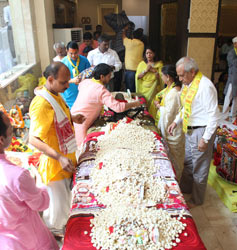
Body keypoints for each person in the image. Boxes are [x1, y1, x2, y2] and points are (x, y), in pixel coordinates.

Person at [29, 62, 85, 236]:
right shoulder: (41, 104)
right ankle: (54, 238)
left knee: (65, 205)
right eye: (63, 82)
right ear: (51, 79)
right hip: (55, 166)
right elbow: (33, 139)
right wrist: (59, 157)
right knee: (57, 211)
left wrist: (73, 117)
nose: (67, 86)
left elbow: (58, 117)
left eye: (68, 81)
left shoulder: (55, 94)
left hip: (66, 160)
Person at [0, 111, 59, 250]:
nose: (13, 132)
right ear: (1, 140)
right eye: (11, 129)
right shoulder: (17, 175)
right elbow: (41, 204)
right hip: (31, 240)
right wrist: (39, 181)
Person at [168, 57, 220, 207]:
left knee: (200, 167)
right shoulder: (190, 84)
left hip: (201, 131)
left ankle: (196, 200)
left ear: (192, 71)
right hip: (190, 130)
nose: (179, 79)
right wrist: (176, 121)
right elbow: (187, 107)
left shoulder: (205, 87)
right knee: (189, 162)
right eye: (178, 75)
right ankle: (184, 189)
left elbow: (214, 115)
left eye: (182, 75)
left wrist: (205, 138)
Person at [71, 63, 141, 147]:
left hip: (73, 115)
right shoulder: (101, 90)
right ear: (102, 77)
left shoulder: (86, 82)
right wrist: (136, 103)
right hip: (80, 120)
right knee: (81, 147)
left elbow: (81, 87)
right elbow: (118, 107)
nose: (110, 78)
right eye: (108, 76)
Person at [152, 65, 184, 180]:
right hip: (174, 126)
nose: (161, 77)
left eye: (162, 75)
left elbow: (169, 114)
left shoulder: (173, 93)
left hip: (173, 130)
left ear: (168, 77)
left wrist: (159, 106)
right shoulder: (171, 90)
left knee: (175, 159)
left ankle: (176, 181)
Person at [61, 41, 91, 109]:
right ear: (67, 51)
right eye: (71, 53)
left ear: (78, 51)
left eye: (76, 53)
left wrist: (84, 79)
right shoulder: (63, 63)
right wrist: (71, 80)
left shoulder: (84, 60)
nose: (73, 56)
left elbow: (90, 75)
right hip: (68, 94)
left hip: (82, 93)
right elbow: (60, 81)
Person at [123, 28, 144, 92]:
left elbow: (123, 37)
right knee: (136, 90)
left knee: (129, 91)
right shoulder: (142, 44)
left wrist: (124, 30)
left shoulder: (128, 42)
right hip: (139, 71)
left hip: (129, 71)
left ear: (132, 36)